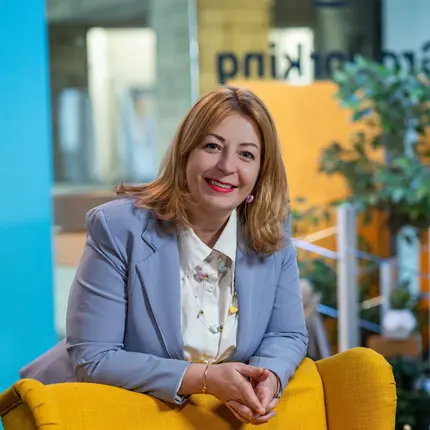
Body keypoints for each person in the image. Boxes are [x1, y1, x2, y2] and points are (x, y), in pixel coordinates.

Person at [21, 85, 308, 425]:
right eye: (212, 146)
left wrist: (268, 376)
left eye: (246, 154)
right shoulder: (119, 228)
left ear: (261, 172)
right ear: (185, 152)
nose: (226, 165)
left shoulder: (271, 232)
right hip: (103, 417)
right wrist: (203, 379)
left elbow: (286, 334)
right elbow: (95, 357)